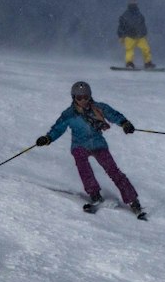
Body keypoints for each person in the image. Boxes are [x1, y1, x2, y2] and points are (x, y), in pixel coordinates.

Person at [35, 80, 146, 216]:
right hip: (79, 146)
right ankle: (94, 194)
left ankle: (133, 200)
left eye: (86, 97)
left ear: (90, 96)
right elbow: (58, 129)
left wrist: (125, 123)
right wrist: (48, 138)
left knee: (113, 171)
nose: (83, 100)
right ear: (73, 97)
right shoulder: (69, 114)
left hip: (98, 144)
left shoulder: (99, 108)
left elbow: (113, 115)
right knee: (84, 169)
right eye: (79, 97)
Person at [117, 0, 155, 69]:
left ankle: (148, 63)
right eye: (132, 4)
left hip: (139, 36)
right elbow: (121, 26)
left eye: (134, 4)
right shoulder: (126, 15)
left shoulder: (139, 15)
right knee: (130, 50)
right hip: (130, 36)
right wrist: (121, 36)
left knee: (146, 49)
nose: (133, 5)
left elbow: (143, 25)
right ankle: (129, 63)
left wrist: (144, 34)